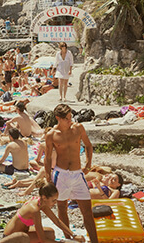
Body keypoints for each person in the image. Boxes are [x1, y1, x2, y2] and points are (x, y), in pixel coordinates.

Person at [45, 104, 97, 243]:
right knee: (62, 208)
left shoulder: (78, 128)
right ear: (58, 118)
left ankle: (95, 241)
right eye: (67, 118)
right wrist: (48, 176)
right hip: (60, 174)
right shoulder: (51, 135)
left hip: (77, 173)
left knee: (87, 211)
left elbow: (88, 145)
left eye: (70, 117)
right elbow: (48, 157)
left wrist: (88, 164)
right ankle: (69, 240)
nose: (70, 120)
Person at [3, 182, 84, 242]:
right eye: (53, 200)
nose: (55, 203)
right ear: (45, 197)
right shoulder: (34, 210)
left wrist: (74, 235)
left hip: (22, 231)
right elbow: (43, 239)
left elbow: (57, 221)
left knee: (50, 232)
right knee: (47, 238)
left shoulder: (41, 202)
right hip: (11, 238)